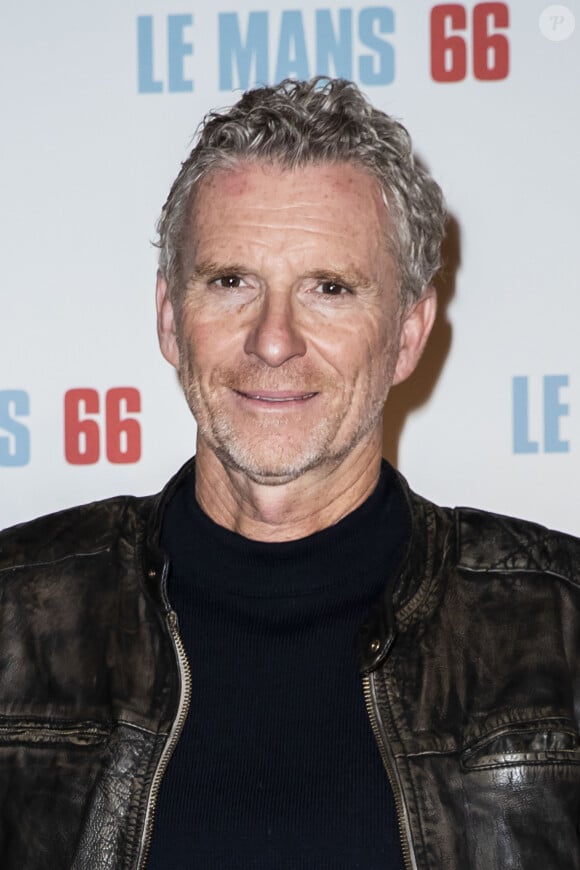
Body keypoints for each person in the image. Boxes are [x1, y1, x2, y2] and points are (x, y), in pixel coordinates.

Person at [0, 77, 579, 870]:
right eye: (232, 281)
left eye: (330, 289)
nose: (274, 340)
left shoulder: (561, 626)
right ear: (171, 317)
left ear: (408, 335)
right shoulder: (13, 618)